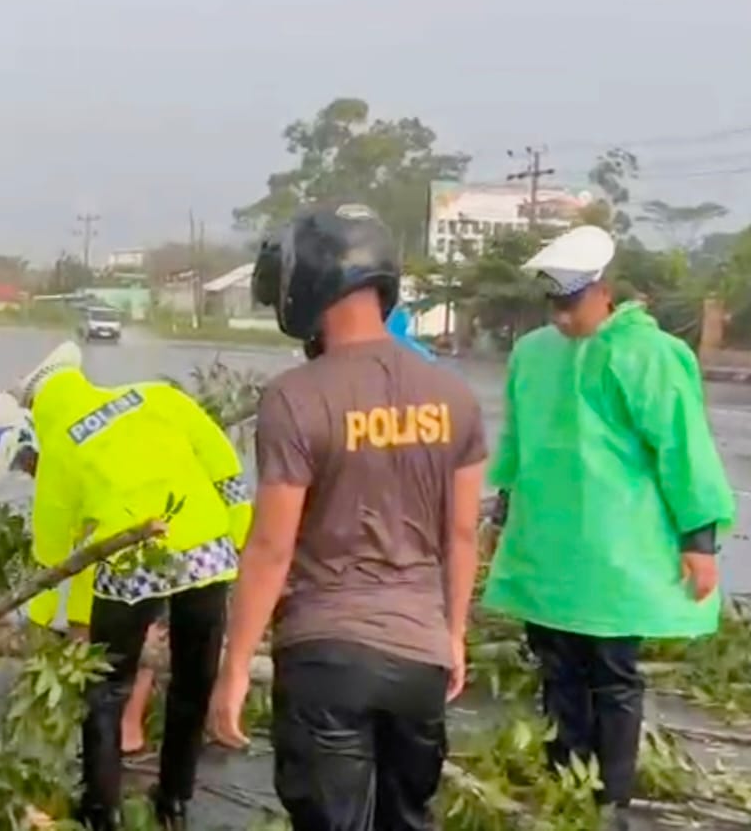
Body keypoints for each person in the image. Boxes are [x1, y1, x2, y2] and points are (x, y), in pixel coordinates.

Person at [208, 203, 487, 831]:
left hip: (326, 657)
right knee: (405, 820)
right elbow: (462, 533)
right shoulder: (455, 397)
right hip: (419, 657)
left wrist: (235, 668)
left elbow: (271, 548)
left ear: (307, 285)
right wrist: (453, 636)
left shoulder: (295, 397)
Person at [480, 225, 735, 830]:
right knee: (556, 668)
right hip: (548, 546)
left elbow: (683, 450)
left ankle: (609, 798)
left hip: (618, 552)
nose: (561, 316)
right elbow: (517, 442)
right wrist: (502, 511)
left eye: (571, 303)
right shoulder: (534, 354)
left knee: (612, 675)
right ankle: (566, 780)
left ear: (603, 292)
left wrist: (698, 541)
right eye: (554, 303)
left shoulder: (649, 355)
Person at [0, 343, 252, 830]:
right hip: (207, 552)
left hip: (129, 566)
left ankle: (102, 813)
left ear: (38, 412)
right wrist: (237, 533)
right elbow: (223, 462)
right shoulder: (156, 396)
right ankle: (174, 802)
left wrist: (43, 625)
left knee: (105, 692)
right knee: (193, 682)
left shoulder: (61, 448)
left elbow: (55, 556)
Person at [0, 391, 167, 757]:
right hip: (117, 532)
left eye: (25, 460)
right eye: (20, 465)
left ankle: (129, 728)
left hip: (149, 530)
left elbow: (80, 551)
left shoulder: (75, 452)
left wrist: (68, 624)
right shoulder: (57, 465)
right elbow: (59, 552)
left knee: (146, 620)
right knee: (95, 621)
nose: (27, 470)